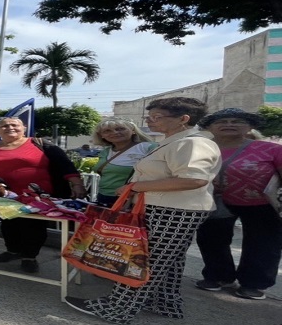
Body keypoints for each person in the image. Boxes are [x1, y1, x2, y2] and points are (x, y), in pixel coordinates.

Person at [65, 97, 221, 324]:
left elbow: (194, 179)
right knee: (168, 261)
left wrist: (135, 186)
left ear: (183, 119)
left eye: (157, 117)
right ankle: (164, 303)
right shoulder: (176, 140)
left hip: (174, 210)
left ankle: (117, 308)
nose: (150, 121)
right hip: (166, 207)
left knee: (147, 261)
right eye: (149, 116)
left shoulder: (192, 143)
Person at [0, 117, 85, 273]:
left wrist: (77, 184)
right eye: (4, 126)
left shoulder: (40, 144)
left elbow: (65, 165)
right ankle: (13, 251)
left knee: (33, 226)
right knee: (8, 223)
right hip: (2, 196)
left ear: (24, 128)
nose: (9, 128)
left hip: (37, 197)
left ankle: (29, 257)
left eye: (14, 125)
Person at [194, 108, 282, 300]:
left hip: (262, 205)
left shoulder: (271, 149)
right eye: (222, 121)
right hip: (214, 201)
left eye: (236, 121)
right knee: (211, 240)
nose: (229, 124)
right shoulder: (199, 148)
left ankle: (253, 283)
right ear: (209, 127)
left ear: (250, 127)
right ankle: (218, 277)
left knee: (262, 244)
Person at [91, 118, 157, 207]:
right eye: (107, 131)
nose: (114, 132)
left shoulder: (148, 147)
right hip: (103, 197)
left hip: (131, 199)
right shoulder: (105, 152)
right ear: (101, 135)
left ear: (133, 130)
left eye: (120, 129)